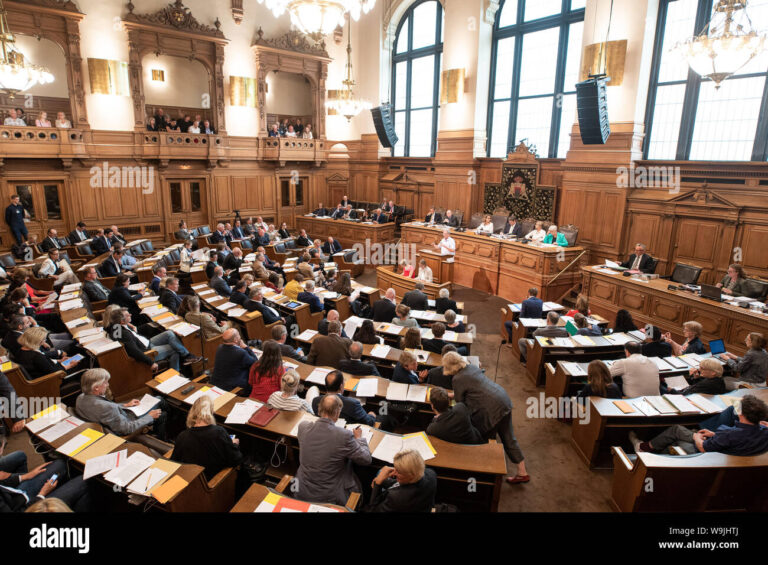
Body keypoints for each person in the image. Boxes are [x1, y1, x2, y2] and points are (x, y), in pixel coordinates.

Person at [445, 352, 529, 484]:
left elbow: (460, 403)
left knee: (482, 435)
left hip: (490, 409)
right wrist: (453, 394)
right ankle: (522, 472)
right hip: (502, 399)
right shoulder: (471, 367)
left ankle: (486, 471)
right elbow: (474, 387)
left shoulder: (457, 379)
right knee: (508, 437)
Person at [295, 394, 372, 505]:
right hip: (329, 497)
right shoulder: (344, 435)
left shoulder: (303, 427)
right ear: (337, 412)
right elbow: (366, 459)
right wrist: (359, 439)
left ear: (319, 409)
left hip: (302, 489)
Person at [629, 394, 768, 456]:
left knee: (677, 432)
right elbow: (735, 438)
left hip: (708, 455)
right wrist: (714, 434)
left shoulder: (729, 433)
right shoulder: (764, 430)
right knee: (680, 435)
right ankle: (650, 452)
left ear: (741, 414)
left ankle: (645, 450)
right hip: (724, 450)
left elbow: (703, 448)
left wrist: (696, 437)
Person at [75, 368, 165, 437]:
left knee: (158, 400)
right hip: (126, 424)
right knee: (160, 402)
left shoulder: (80, 398)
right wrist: (149, 416)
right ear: (96, 388)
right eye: (105, 383)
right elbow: (126, 429)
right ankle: (163, 437)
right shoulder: (108, 408)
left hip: (115, 419)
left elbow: (102, 408)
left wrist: (125, 405)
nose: (108, 385)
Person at [170, 396, 242, 480]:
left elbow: (174, 462)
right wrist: (234, 445)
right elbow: (236, 459)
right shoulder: (218, 432)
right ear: (211, 412)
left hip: (190, 480)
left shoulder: (182, 436)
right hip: (213, 481)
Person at [109, 307, 200, 372]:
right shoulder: (124, 334)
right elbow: (134, 351)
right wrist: (150, 362)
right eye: (127, 315)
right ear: (121, 321)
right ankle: (175, 373)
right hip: (148, 351)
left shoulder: (117, 326)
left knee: (169, 333)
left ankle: (186, 356)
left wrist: (128, 325)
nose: (130, 314)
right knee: (174, 348)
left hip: (147, 342)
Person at [366, 449, 437, 512]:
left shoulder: (395, 498)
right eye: (395, 468)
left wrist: (378, 483)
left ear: (411, 475)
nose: (393, 472)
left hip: (401, 504)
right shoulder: (431, 473)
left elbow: (373, 510)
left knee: (379, 472)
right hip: (422, 505)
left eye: (398, 471)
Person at [311, 370, 376, 426]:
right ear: (341, 386)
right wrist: (371, 415)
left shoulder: (315, 401)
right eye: (344, 381)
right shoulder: (353, 404)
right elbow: (369, 422)